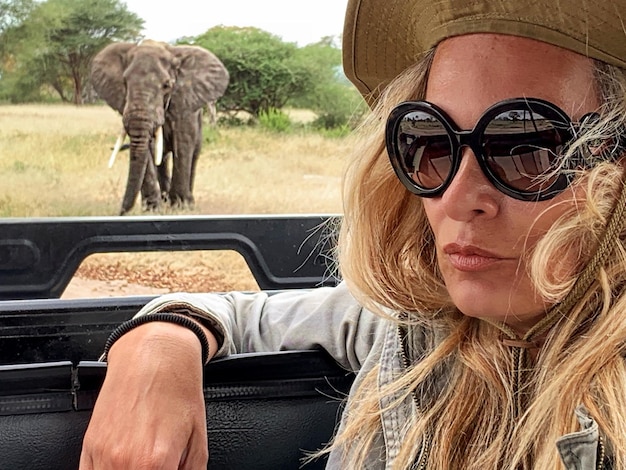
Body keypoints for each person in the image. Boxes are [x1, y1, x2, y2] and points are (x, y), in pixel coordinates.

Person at [79, 0, 626, 468]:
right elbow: (243, 315)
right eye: (429, 142)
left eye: (524, 147)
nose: (455, 198)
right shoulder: (412, 325)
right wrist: (161, 343)